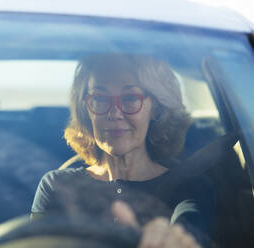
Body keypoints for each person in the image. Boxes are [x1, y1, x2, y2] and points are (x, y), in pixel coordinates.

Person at [31, 54, 214, 247]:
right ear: (86, 109)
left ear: (156, 109)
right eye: (100, 98)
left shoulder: (189, 185)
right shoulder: (56, 185)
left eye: (130, 98)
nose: (114, 113)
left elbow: (188, 231)